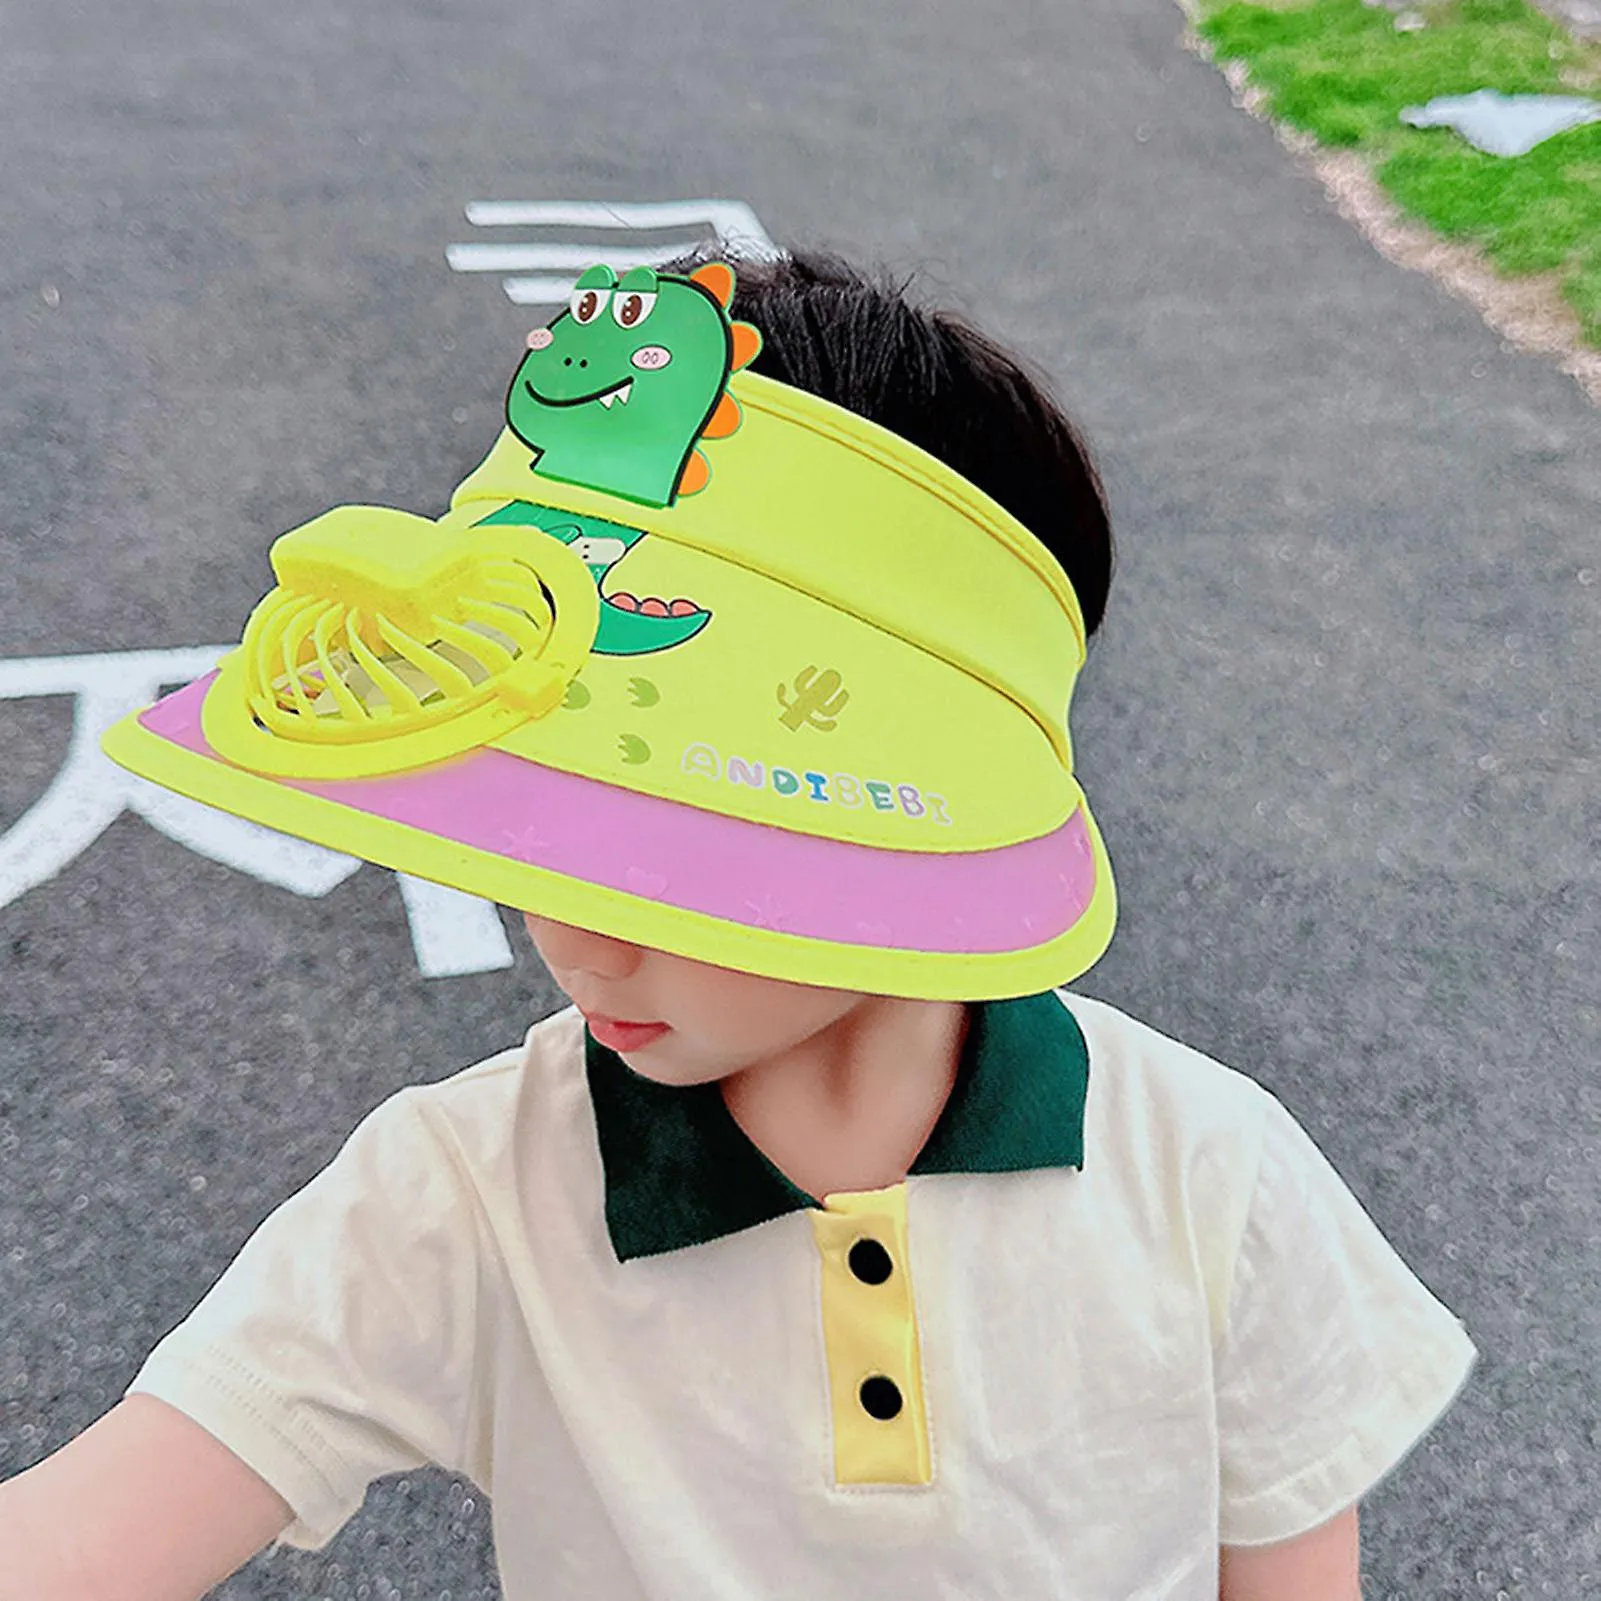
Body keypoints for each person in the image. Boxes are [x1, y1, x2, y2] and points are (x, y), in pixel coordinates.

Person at [0, 251, 1474, 1601]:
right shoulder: (462, 1195)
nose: (578, 937)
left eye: (677, 839)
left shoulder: (1204, 1169)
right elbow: (109, 1516)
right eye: (554, 814)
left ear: (911, 805)